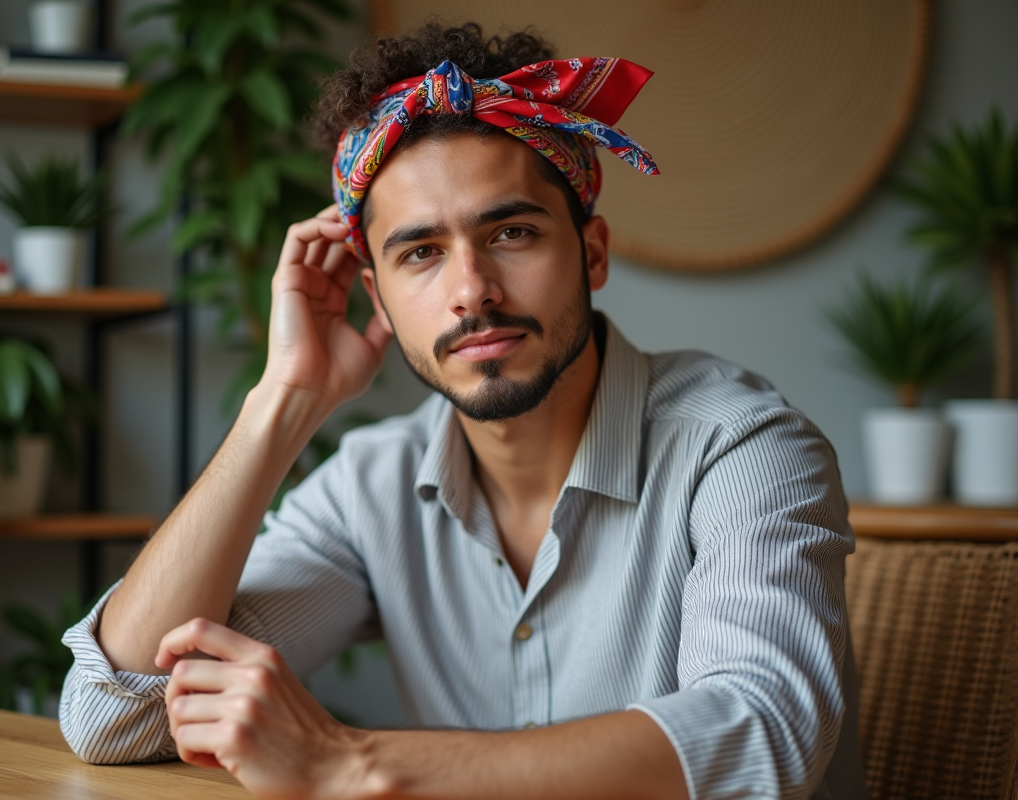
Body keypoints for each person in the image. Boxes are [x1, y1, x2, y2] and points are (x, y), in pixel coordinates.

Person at [61, 22, 868, 800]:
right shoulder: (370, 487)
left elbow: (764, 735)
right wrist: (284, 401)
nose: (471, 291)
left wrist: (351, 764)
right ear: (374, 293)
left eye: (511, 233)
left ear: (591, 252)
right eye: (420, 253)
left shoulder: (742, 445)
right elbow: (114, 716)